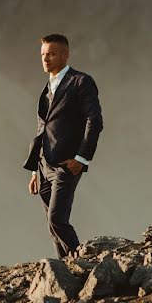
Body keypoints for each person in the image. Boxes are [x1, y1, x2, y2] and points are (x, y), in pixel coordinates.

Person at [22, 33, 104, 258]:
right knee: (52, 226)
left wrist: (82, 159)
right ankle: (65, 269)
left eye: (51, 54)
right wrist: (33, 171)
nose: (45, 59)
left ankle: (82, 261)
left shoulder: (81, 81)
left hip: (66, 164)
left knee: (57, 219)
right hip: (42, 166)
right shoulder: (46, 87)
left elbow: (94, 120)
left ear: (65, 55)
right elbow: (42, 128)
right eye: (43, 54)